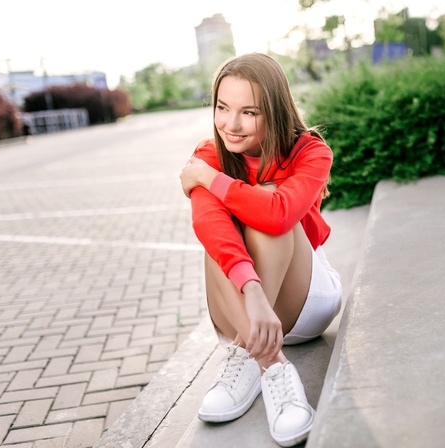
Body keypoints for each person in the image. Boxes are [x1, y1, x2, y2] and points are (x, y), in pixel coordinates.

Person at [179, 52, 342, 447]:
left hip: (304, 302)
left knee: (267, 203)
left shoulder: (310, 151)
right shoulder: (209, 155)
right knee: (218, 235)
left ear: (274, 110)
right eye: (222, 107)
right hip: (248, 307)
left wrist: (211, 181)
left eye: (248, 112)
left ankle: (248, 352)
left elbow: (278, 215)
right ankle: (272, 366)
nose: (230, 125)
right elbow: (208, 224)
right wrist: (251, 290)